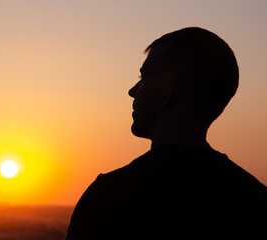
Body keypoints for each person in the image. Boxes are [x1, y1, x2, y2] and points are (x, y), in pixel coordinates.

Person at [65, 27, 267, 239]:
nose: (133, 90)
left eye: (143, 77)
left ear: (167, 92)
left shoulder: (109, 197)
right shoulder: (256, 201)